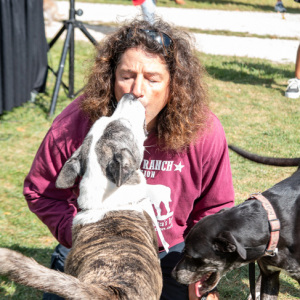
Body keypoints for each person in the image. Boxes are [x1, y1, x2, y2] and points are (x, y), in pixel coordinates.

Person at [23, 18, 234, 300]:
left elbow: (215, 208)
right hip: (93, 247)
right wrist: (84, 234)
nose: (136, 90)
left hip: (168, 250)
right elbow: (41, 192)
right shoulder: (77, 122)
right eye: (126, 76)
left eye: (152, 78)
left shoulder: (203, 130)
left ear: (175, 84)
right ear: (111, 78)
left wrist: (201, 272)